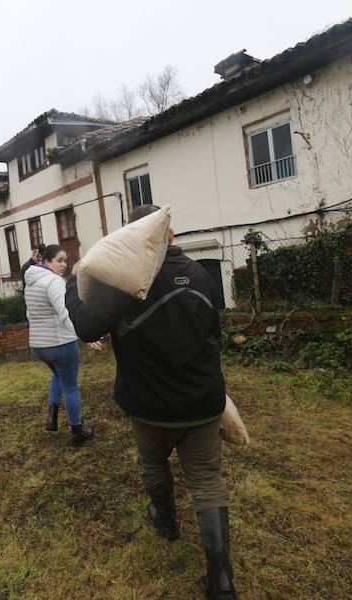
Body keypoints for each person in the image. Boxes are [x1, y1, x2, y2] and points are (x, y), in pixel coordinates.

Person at [65, 205, 236, 599]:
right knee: (207, 480)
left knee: (153, 463)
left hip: (149, 405)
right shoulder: (199, 275)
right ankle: (221, 577)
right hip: (203, 401)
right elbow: (215, 336)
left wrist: (73, 284)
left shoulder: (123, 281)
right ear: (170, 235)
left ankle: (166, 520)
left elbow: (87, 325)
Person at [24, 244, 98, 446]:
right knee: (72, 387)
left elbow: (30, 315)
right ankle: (77, 431)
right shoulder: (54, 282)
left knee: (57, 376)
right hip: (61, 344)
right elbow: (65, 312)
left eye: (66, 260)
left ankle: (52, 416)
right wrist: (85, 335)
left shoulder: (31, 282)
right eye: (59, 260)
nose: (64, 264)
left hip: (40, 347)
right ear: (46, 261)